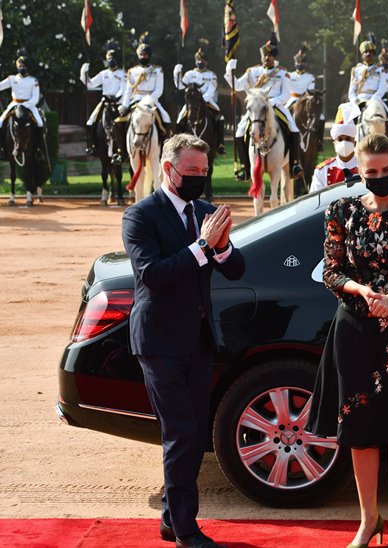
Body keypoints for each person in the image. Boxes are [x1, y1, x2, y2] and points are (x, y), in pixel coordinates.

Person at [121, 134, 245, 548]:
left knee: (194, 436)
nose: (198, 179)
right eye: (191, 172)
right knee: (181, 434)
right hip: (158, 340)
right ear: (167, 169)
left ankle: (173, 518)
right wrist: (203, 246)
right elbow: (152, 275)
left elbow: (236, 269)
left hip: (199, 340)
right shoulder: (140, 216)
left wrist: (223, 248)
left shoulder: (207, 213)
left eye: (204, 173)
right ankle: (186, 530)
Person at [306, 133, 388, 548]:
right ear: (358, 171)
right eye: (370, 172)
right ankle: (367, 519)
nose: (378, 178)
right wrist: (361, 290)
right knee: (359, 428)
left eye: (386, 171)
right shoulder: (341, 210)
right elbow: (331, 271)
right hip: (355, 329)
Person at [225, 32, 304, 181]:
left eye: (270, 56)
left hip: (276, 105)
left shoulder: (282, 72)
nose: (267, 58)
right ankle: (245, 167)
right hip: (257, 107)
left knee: (294, 128)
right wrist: (230, 73)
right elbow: (238, 86)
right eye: (264, 56)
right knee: (239, 132)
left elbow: (286, 94)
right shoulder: (253, 72)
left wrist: (271, 102)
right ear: (261, 57)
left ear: (274, 57)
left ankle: (294, 164)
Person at [113, 32, 171, 164]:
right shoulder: (132, 71)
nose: (142, 57)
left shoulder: (157, 70)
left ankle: (165, 151)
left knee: (166, 119)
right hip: (135, 100)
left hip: (152, 101)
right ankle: (121, 152)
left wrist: (149, 100)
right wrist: (124, 104)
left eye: (145, 54)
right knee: (118, 122)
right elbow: (128, 90)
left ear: (149, 55)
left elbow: (159, 90)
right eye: (140, 54)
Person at [174, 39, 226, 156]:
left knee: (220, 117)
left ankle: (220, 144)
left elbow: (211, 91)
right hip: (191, 103)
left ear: (206, 62)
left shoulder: (211, 75)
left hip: (207, 101)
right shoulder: (189, 74)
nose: (200, 62)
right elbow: (180, 85)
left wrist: (201, 100)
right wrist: (176, 74)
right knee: (179, 119)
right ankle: (176, 144)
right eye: (198, 60)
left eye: (202, 60)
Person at [80, 40, 125, 157]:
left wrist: (116, 98)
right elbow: (89, 84)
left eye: (113, 57)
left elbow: (123, 89)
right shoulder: (103, 73)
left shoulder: (122, 74)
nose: (111, 60)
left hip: (118, 103)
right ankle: (92, 146)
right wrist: (84, 73)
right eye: (109, 57)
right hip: (105, 102)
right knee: (90, 121)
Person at [0, 49, 45, 161]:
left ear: (27, 67)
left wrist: (25, 105)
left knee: (39, 123)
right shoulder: (12, 79)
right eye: (19, 66)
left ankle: (39, 149)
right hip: (14, 104)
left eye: (23, 66)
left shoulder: (33, 81)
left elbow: (35, 98)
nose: (21, 68)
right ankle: (2, 149)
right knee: (0, 121)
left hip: (29, 105)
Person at [309, 103, 359, 193]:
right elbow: (315, 199)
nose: (344, 142)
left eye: (348, 139)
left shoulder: (365, 167)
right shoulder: (322, 171)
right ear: (334, 144)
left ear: (354, 143)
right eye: (340, 139)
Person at [348, 34, 388, 115]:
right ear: (362, 55)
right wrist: (356, 101)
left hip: (375, 100)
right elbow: (351, 91)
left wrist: (373, 101)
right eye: (365, 52)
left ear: (374, 54)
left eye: (371, 52)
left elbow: (382, 88)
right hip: (359, 100)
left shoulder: (381, 70)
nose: (368, 54)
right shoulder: (356, 70)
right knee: (343, 121)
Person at [285, 42, 316, 111]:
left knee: (320, 117)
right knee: (282, 113)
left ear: (305, 64)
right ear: (295, 64)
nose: (300, 64)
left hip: (305, 100)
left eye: (302, 62)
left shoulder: (310, 77)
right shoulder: (289, 75)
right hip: (292, 99)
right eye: (298, 62)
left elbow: (310, 90)